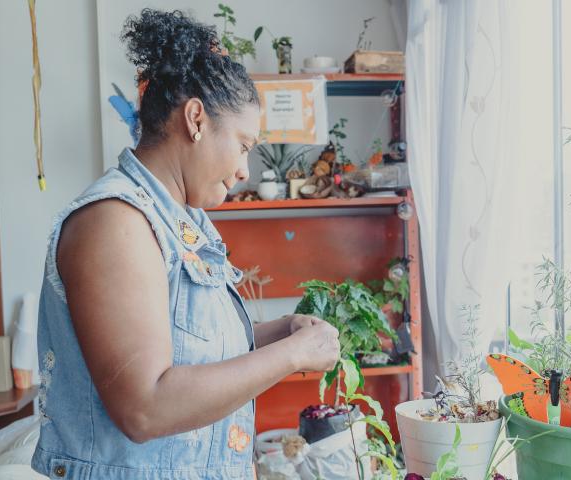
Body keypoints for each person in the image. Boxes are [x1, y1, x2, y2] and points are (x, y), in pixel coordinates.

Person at [31, 9, 340, 479]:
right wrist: (293, 355)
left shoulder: (178, 221)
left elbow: (182, 352)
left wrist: (280, 331)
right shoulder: (115, 222)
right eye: (242, 145)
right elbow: (146, 407)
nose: (245, 172)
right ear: (195, 119)